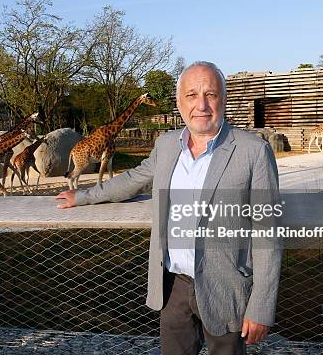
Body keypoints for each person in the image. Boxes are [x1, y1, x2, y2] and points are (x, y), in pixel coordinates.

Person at [56, 61, 282, 355]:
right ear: (179, 102)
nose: (201, 105)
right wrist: (84, 196)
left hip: (226, 285)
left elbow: (268, 232)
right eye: (191, 95)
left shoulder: (253, 151)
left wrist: (261, 306)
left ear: (223, 100)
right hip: (173, 285)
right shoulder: (166, 145)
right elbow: (133, 179)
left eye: (211, 94)